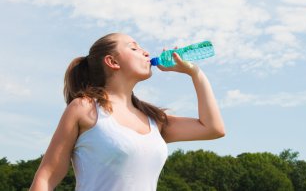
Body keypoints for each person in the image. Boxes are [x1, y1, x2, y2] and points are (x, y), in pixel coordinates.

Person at [29, 32, 225, 191]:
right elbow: (46, 178)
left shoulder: (154, 120)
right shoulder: (84, 108)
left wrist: (195, 73)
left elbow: (213, 128)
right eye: (134, 47)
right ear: (112, 62)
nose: (146, 52)